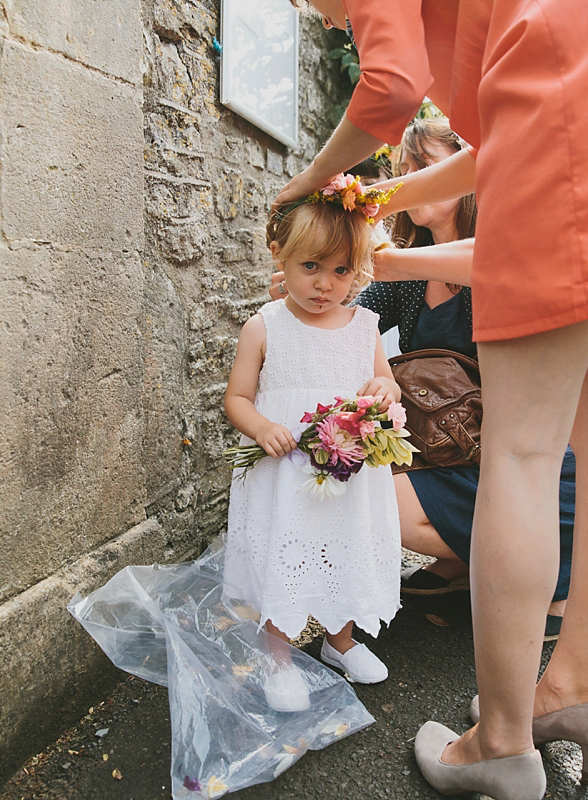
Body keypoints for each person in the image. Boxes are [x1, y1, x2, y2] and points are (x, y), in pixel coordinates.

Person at [279, 2, 588, 797]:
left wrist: (308, 181)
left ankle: (501, 743)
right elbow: (498, 149)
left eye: (321, 7)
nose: (333, 24)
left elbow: (392, 83)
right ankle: (572, 688)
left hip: (580, 82)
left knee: (524, 449)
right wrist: (380, 198)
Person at [271, 117, 574, 636]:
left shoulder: (497, 249)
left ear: (465, 176)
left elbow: (512, 273)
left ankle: (552, 581)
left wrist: (388, 262)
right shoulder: (406, 277)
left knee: (370, 499)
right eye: (403, 168)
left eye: (425, 168)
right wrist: (306, 293)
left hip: (524, 459)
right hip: (452, 447)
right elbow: (347, 324)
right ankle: (461, 565)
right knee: (344, 474)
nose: (408, 179)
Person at [223, 178, 403, 713]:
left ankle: (339, 639)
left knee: (344, 549)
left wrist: (383, 389)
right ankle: (278, 653)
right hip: (286, 473)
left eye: (342, 270)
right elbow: (237, 397)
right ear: (281, 254)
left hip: (348, 473)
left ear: (359, 269)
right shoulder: (265, 326)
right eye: (311, 267)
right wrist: (259, 427)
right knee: (291, 552)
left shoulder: (363, 326)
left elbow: (387, 384)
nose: (326, 285)